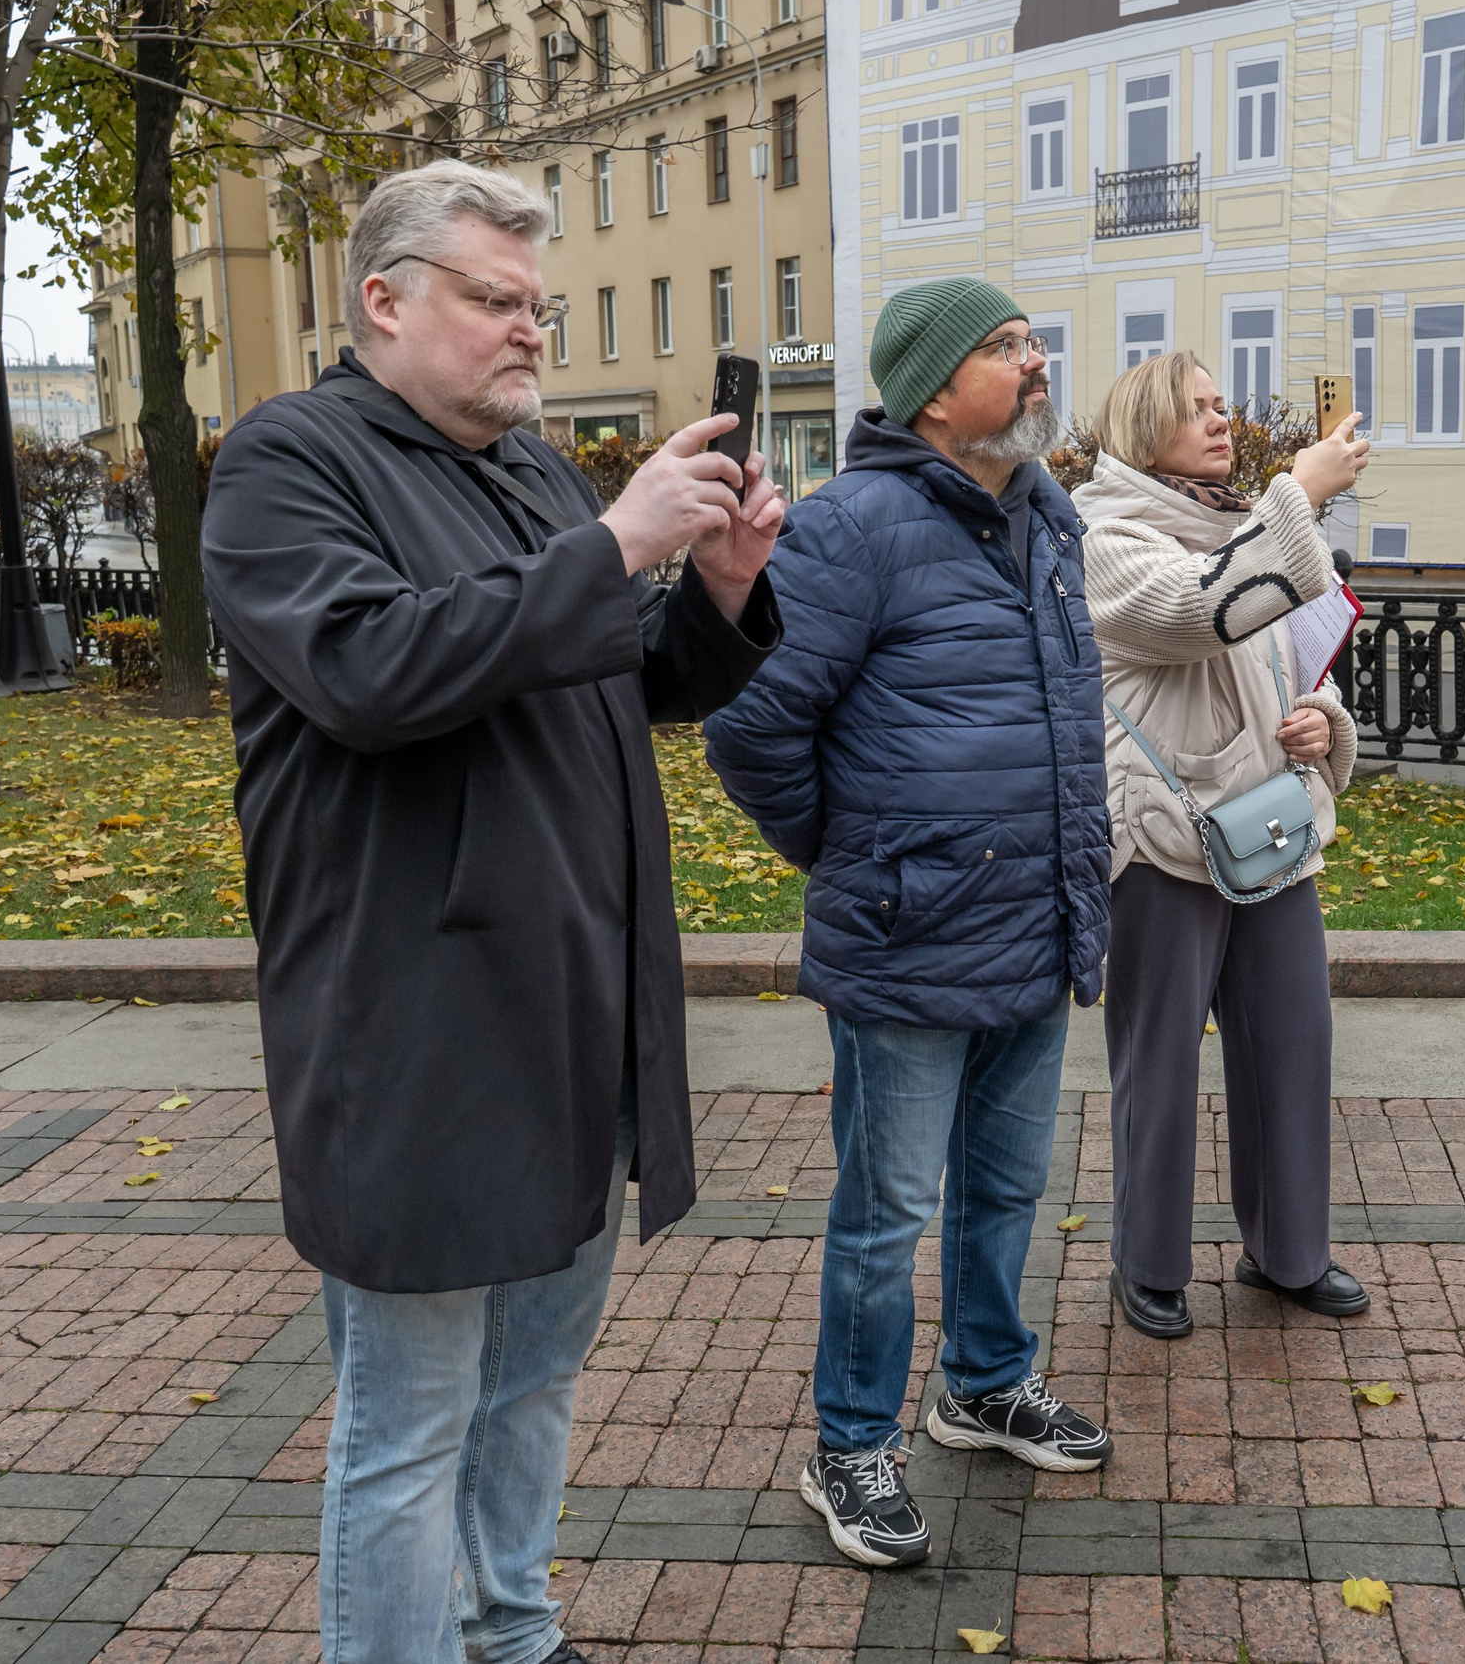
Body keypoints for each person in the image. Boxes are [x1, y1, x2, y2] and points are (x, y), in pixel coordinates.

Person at [199, 160, 784, 1664]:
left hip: (575, 1007)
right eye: (495, 299)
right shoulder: (287, 461)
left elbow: (623, 679)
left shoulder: (525, 471)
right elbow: (370, 668)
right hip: (418, 1029)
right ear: (384, 301)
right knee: (409, 1421)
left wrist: (712, 590)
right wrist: (618, 546)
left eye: (542, 303)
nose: (532, 330)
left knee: (534, 1378)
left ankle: (512, 1628)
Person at [703, 277, 1113, 1568]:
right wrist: (847, 849)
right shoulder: (856, 527)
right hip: (907, 940)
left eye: (1033, 340)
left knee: (1008, 1185)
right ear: (936, 388)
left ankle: (984, 1379)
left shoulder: (1047, 515)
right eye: (1007, 348)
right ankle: (850, 1441)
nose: (1036, 362)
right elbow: (749, 719)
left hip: (1033, 925)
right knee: (885, 1213)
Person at [1075, 354, 1372, 1340]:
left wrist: (1324, 730)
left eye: (1218, 405)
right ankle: (1147, 1262)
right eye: (1195, 407)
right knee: (1156, 1062)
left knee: (1292, 1044)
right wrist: (1298, 494)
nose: (1218, 419)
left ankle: (1288, 1253)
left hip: (1268, 829)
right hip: (1162, 837)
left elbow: (1293, 659)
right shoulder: (1107, 537)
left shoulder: (1241, 528)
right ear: (1143, 423)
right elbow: (1204, 610)